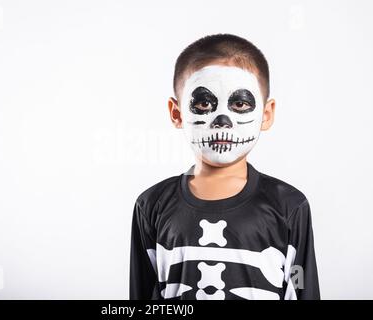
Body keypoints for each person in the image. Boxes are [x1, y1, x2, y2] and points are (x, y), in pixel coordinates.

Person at [129, 34, 320, 300]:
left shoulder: (289, 206)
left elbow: (301, 287)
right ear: (177, 113)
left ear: (266, 115)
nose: (222, 121)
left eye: (240, 104)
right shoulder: (152, 206)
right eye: (204, 104)